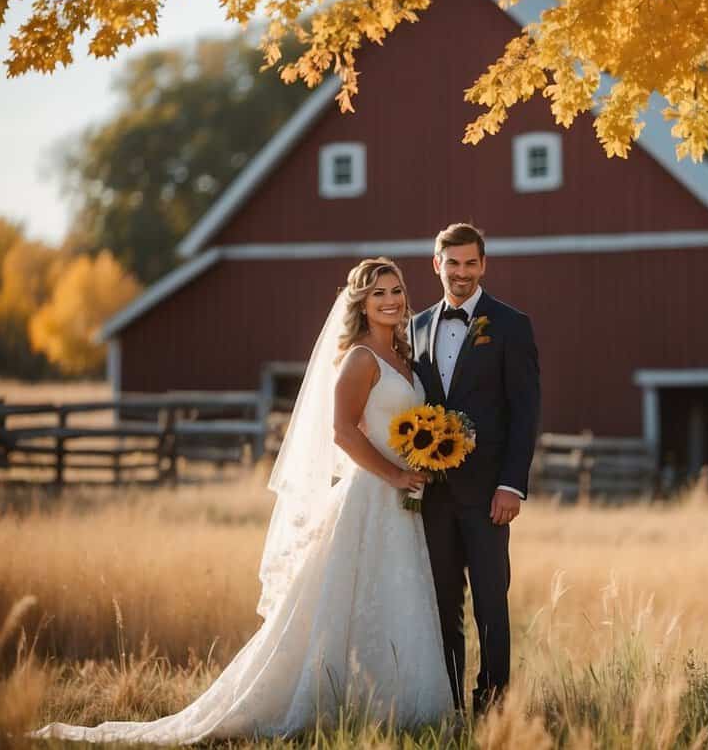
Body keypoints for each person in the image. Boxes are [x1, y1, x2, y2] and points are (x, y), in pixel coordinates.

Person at [31, 258, 453, 744]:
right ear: (361, 302)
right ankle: (335, 699)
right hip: (371, 495)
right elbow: (342, 432)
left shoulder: (404, 353)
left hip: (402, 499)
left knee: (397, 592)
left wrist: (420, 465)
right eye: (379, 293)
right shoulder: (361, 359)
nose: (391, 300)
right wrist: (396, 473)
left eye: (397, 290)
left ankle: (403, 706)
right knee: (347, 600)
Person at [410, 223, 541, 714]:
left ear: (483, 265)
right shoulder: (416, 326)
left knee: (490, 605)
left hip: (490, 495)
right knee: (443, 606)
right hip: (433, 496)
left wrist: (512, 485)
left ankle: (493, 707)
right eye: (452, 263)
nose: (461, 273)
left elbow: (525, 410)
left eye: (470, 264)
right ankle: (449, 704)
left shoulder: (511, 324)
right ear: (436, 264)